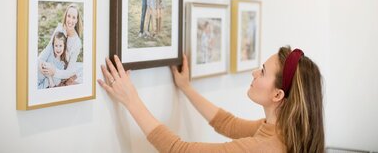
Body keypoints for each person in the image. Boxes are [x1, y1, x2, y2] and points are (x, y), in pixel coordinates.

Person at [98, 46, 325, 152]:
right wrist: (185, 87)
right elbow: (227, 123)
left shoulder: (263, 146)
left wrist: (131, 99)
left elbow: (179, 150)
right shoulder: (283, 131)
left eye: (263, 72)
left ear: (278, 95)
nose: (255, 73)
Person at [40, 3, 83, 85]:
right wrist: (40, 61)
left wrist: (54, 72)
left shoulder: (77, 43)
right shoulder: (60, 28)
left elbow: (69, 71)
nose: (70, 20)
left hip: (60, 71)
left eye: (74, 17)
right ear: (65, 16)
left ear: (77, 20)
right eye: (69, 16)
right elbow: (49, 47)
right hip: (50, 63)